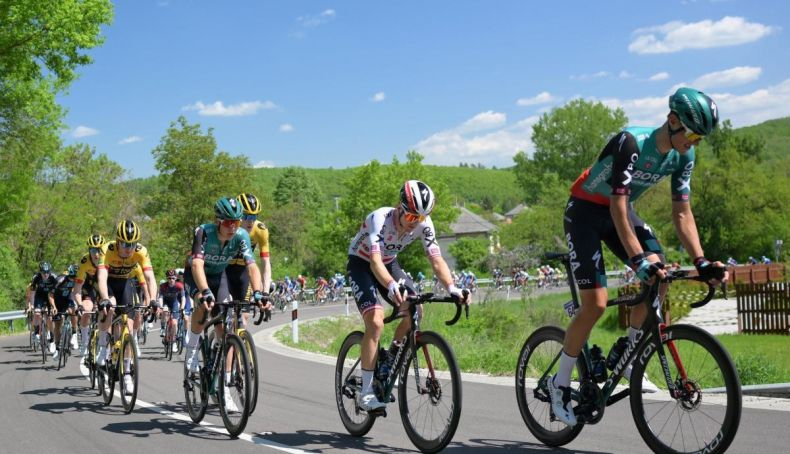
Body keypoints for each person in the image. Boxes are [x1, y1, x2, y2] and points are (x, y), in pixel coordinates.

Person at [552, 88, 728, 426]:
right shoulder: (631, 142)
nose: (695, 143)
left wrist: (702, 261)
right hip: (587, 211)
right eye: (692, 134)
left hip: (620, 211)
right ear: (673, 121)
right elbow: (617, 206)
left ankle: (630, 356)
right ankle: (559, 383)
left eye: (701, 138)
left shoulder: (683, 156)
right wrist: (637, 260)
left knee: (661, 274)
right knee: (596, 305)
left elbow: (682, 213)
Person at [346, 180, 471, 411]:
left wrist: (452, 288)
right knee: (375, 321)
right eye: (412, 218)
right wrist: (392, 285)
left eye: (421, 219)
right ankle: (365, 391)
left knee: (415, 309)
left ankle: (391, 356)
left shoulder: (424, 223)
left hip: (389, 263)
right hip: (362, 263)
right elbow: (374, 261)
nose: (416, 224)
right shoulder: (380, 219)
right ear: (399, 207)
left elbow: (436, 259)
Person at [181, 197, 271, 409]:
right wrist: (203, 291)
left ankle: (223, 378)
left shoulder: (241, 235)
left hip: (219, 276)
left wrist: (258, 293)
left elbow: (252, 266)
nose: (233, 227)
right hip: (197, 275)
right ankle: (192, 348)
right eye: (228, 222)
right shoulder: (203, 231)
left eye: (237, 222)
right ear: (218, 220)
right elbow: (196, 264)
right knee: (204, 305)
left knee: (225, 326)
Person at [95, 220, 157, 395]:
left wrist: (152, 300)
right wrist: (105, 298)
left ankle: (127, 373)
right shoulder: (107, 249)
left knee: (128, 331)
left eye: (132, 244)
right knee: (111, 306)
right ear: (117, 241)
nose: (128, 248)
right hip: (107, 283)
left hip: (125, 283)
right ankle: (101, 347)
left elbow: (150, 278)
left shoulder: (141, 252)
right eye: (124, 244)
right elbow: (101, 276)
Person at [225, 193, 272, 306]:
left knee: (244, 316)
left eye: (254, 217)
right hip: (224, 269)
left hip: (244, 271)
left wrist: (265, 292)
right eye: (246, 217)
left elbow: (265, 262)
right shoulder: (227, 227)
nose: (250, 222)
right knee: (224, 307)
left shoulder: (261, 230)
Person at [27, 261, 58, 352]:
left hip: (50, 297)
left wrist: (55, 306)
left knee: (49, 318)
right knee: (37, 313)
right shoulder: (36, 277)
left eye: (48, 272)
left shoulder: (54, 277)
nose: (46, 274)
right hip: (39, 296)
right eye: (44, 272)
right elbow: (32, 292)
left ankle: (51, 339)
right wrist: (32, 305)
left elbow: (57, 292)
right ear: (40, 272)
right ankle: (36, 332)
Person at [50, 264, 79, 359]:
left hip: (68, 298)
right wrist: (53, 306)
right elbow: (50, 295)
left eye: (76, 277)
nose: (74, 279)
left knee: (73, 310)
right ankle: (58, 348)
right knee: (57, 324)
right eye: (72, 277)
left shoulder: (77, 281)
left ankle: (74, 333)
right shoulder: (60, 281)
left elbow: (77, 292)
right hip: (57, 301)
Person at [156, 269, 185, 352]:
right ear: (166, 278)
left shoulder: (179, 285)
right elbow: (160, 297)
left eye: (173, 278)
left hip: (174, 302)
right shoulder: (163, 286)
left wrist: (182, 308)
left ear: (176, 278)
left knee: (175, 323)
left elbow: (183, 298)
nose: (171, 280)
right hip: (165, 302)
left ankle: (173, 341)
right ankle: (163, 328)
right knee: (165, 311)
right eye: (169, 278)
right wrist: (161, 307)